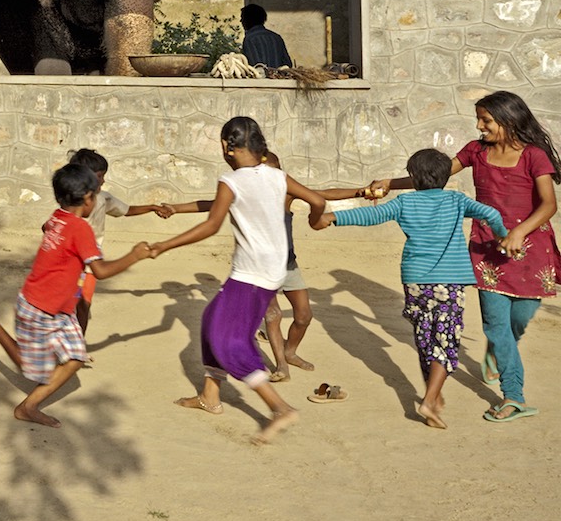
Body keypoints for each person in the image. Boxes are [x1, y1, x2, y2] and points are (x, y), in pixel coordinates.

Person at [366, 91, 557, 422]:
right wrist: (390, 183)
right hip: (487, 249)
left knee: (518, 320)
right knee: (497, 326)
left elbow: (549, 204)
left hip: (531, 249)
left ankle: (499, 352)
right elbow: (434, 177)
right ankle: (514, 396)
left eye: (486, 120)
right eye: (479, 119)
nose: (479, 126)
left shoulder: (534, 156)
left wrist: (517, 232)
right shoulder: (475, 151)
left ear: (510, 121)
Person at [150, 116, 330, 443]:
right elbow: (318, 201)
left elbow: (211, 225)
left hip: (252, 271)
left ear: (226, 147)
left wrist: (164, 245)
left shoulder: (230, 180)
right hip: (272, 269)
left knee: (229, 341)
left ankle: (279, 408)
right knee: (210, 321)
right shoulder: (277, 176)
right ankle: (210, 396)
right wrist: (317, 222)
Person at [315, 148, 506, 428]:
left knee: (426, 339)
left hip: (415, 282)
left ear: (414, 178)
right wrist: (502, 236)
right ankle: (429, 400)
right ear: (445, 177)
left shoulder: (405, 202)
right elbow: (490, 213)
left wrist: (333, 218)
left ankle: (433, 395)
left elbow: (371, 216)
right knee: (446, 341)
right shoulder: (456, 200)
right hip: (448, 282)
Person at [0, 163, 153, 427]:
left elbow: (51, 236)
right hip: (40, 308)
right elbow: (101, 270)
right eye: (95, 195)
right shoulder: (80, 228)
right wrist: (134, 255)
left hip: (60, 309)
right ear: (87, 199)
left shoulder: (57, 217)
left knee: (75, 358)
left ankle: (27, 407)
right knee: (31, 369)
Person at [159, 151, 360, 380]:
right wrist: (177, 208)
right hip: (261, 267)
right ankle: (281, 366)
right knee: (273, 314)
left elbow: (324, 194)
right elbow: (211, 204)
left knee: (304, 315)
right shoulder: (246, 194)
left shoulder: (285, 193)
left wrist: (360, 191)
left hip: (289, 264)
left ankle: (290, 352)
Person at [65, 148, 174, 352]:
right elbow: (51, 225)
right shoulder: (71, 205)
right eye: (100, 177)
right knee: (66, 304)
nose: (103, 181)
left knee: (84, 305)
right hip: (70, 264)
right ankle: (63, 346)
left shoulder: (104, 199)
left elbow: (126, 210)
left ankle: (77, 348)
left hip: (90, 265)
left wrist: (151, 207)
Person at [239, 3, 292, 69]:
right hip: (279, 78)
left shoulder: (250, 39)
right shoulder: (276, 37)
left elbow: (256, 67)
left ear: (248, 20)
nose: (241, 21)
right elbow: (288, 64)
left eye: (242, 18)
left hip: (263, 78)